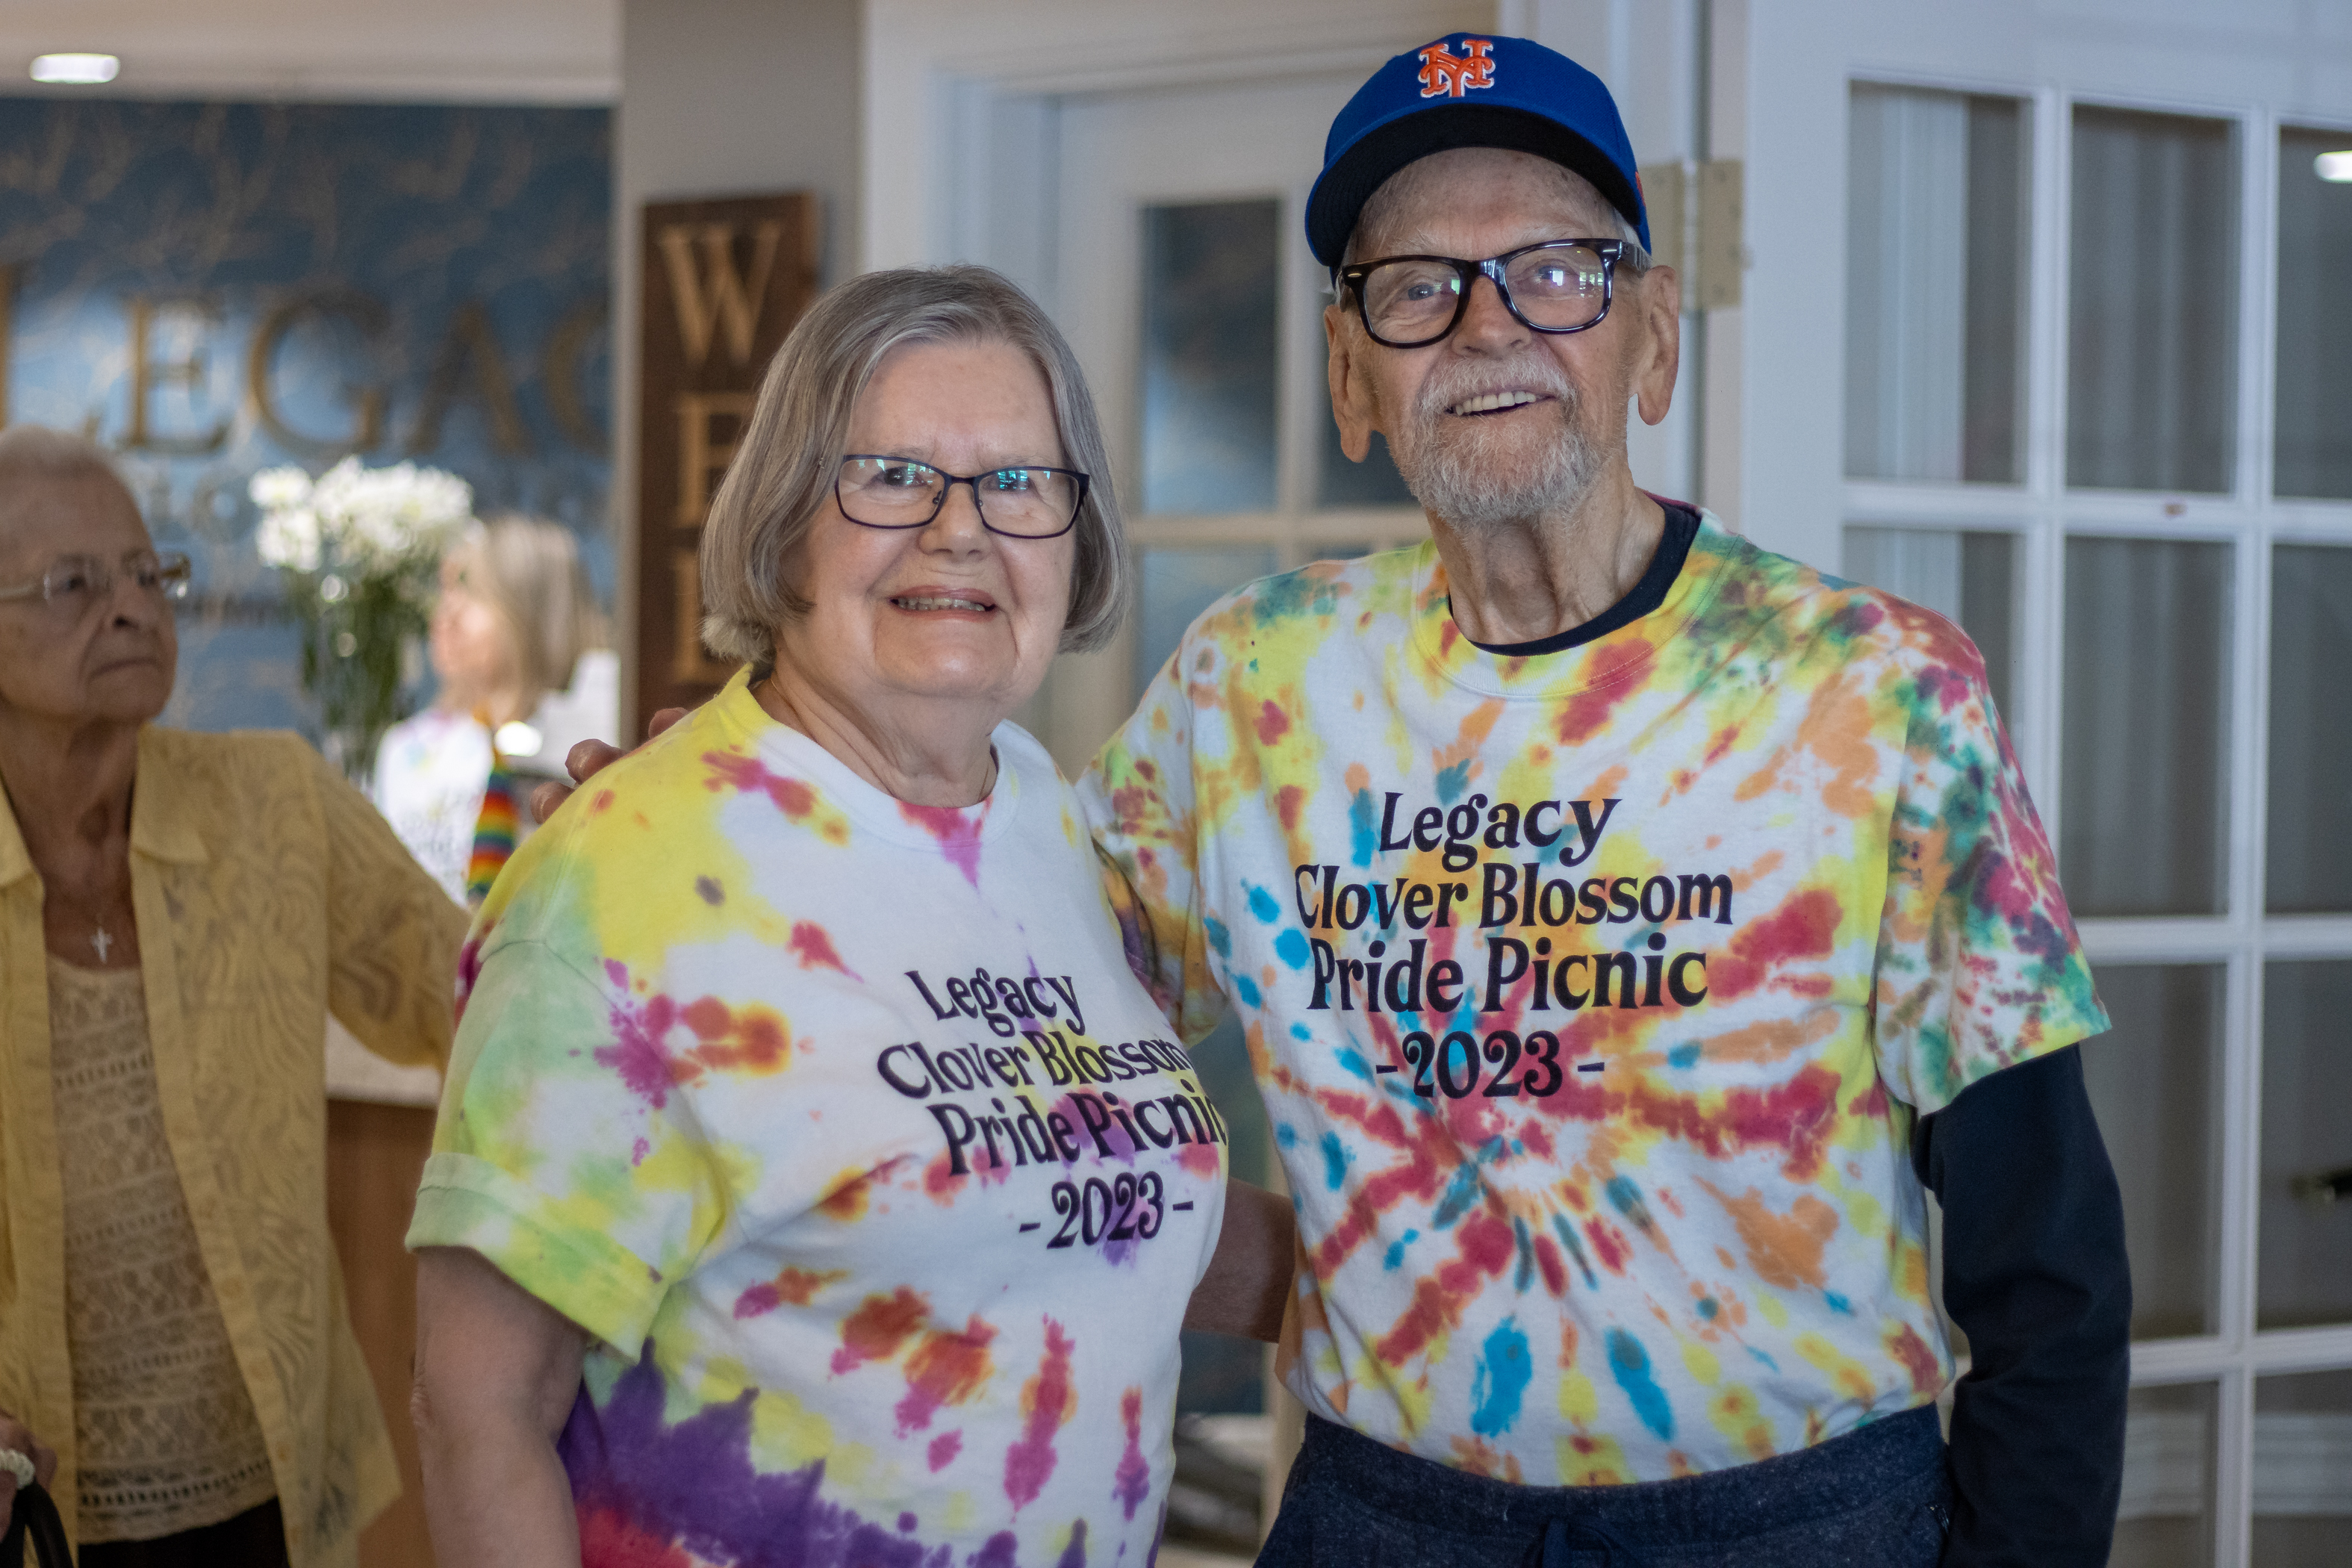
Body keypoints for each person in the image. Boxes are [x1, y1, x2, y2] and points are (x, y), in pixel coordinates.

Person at [547, 39, 2131, 1566]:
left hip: (1795, 1527)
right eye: (1417, 288)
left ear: (1649, 335)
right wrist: (737, 831)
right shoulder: (1254, 684)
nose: (1487, 326)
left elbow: (2047, 1260)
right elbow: (986, 962)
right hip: (1385, 1519)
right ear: (1352, 373)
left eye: (1556, 271)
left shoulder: (1876, 694)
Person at [406, 265, 1295, 1568]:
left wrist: (1445, 1277)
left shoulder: (1047, 824)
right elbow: (478, 1410)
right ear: (783, 529)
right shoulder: (625, 880)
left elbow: (1058, 1192)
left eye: (1018, 482)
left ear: (1076, 539)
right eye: (889, 476)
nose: (960, 530)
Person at [0, 426, 469, 1565]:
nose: (131, 608)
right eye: (72, 584)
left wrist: (594, 858)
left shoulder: (275, 810)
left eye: (147, 573)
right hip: (36, 1508)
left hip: (270, 1492)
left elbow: (474, 996)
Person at [373, 515, 609, 907]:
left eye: (472, 593)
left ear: (531, 609)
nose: (447, 615)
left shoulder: (592, 742)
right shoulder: (406, 747)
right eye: (444, 591)